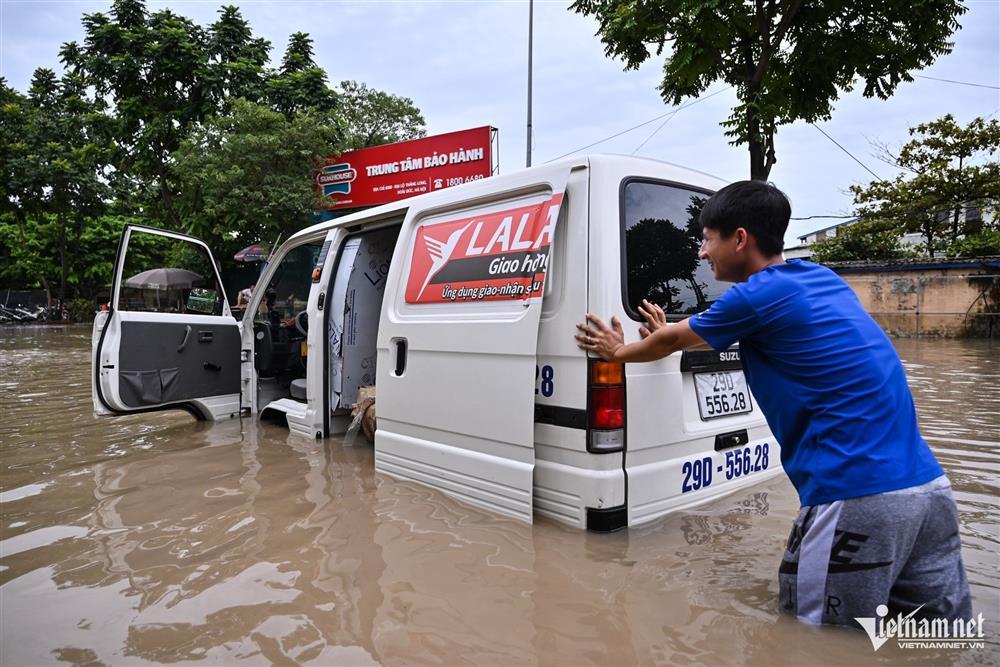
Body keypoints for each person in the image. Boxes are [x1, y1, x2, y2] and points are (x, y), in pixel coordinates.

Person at [575, 180, 971, 628]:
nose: (702, 254)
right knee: (934, 639)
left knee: (817, 641)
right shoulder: (821, 279)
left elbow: (672, 340)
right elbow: (712, 336)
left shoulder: (755, 296)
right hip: (929, 493)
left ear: (739, 239)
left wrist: (616, 350)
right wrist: (665, 337)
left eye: (707, 239)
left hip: (856, 494)